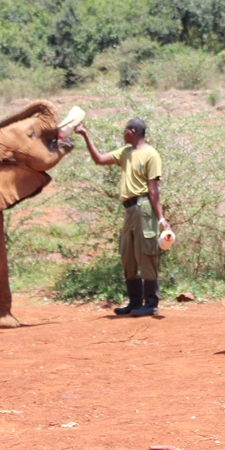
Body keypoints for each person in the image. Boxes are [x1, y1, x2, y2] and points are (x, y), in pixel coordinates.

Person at [75, 118, 172, 317]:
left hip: (144, 206)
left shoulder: (151, 154)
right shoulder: (125, 153)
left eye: (125, 130)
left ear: (133, 131)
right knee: (127, 254)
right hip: (128, 209)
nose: (123, 134)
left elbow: (153, 189)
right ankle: (135, 302)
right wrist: (85, 135)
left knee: (146, 252)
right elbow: (99, 159)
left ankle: (151, 303)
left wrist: (161, 218)